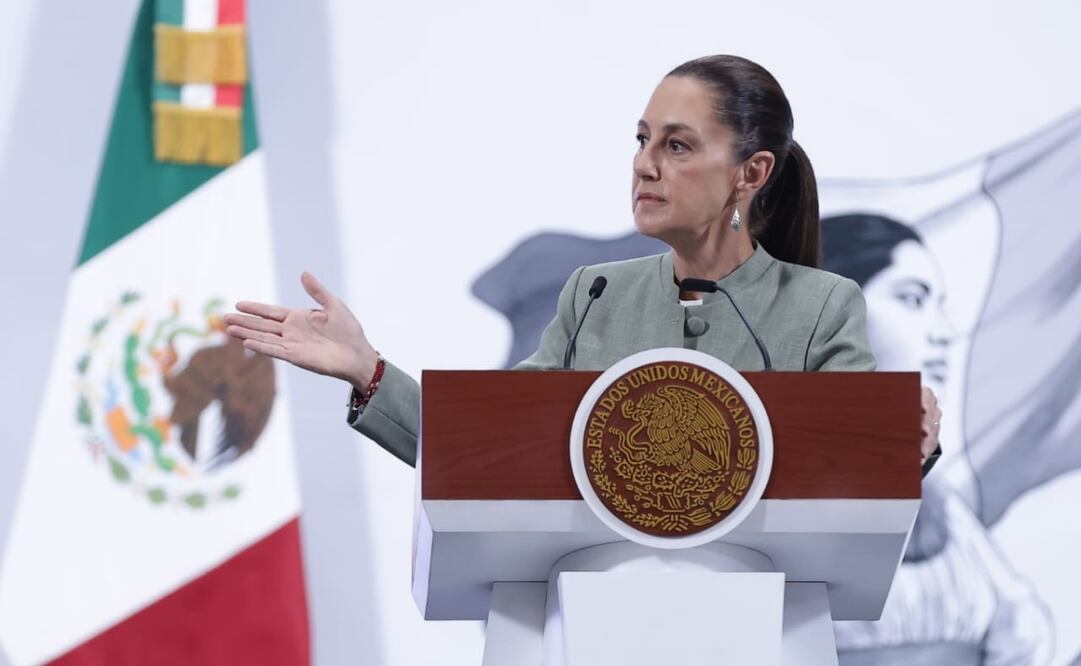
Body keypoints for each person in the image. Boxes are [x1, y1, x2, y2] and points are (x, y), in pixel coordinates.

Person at [222, 55, 941, 468]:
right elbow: (493, 446)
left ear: (750, 174)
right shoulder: (595, 295)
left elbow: (857, 479)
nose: (644, 166)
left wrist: (907, 447)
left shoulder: (821, 306)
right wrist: (366, 370)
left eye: (677, 145)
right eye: (641, 140)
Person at [823, 214, 1053, 666]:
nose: (945, 332)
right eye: (913, 299)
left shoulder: (939, 500)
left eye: (940, 305)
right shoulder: (751, 490)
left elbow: (1022, 638)